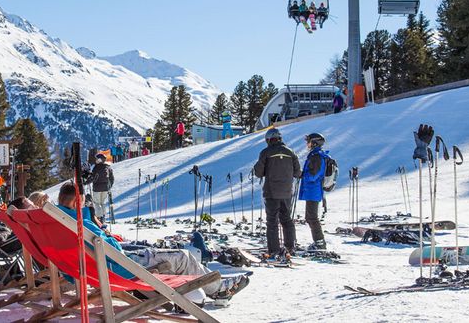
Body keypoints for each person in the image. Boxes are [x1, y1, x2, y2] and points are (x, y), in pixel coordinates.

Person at [55, 182, 248, 303]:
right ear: (74, 204)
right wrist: (110, 238)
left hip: (88, 271)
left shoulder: (57, 223)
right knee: (183, 257)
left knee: (159, 254)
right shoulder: (79, 224)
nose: (83, 206)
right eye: (81, 203)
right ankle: (219, 290)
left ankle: (204, 290)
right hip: (119, 269)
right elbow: (113, 249)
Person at [253, 128, 300, 260]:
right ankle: (290, 247)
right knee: (287, 220)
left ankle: (274, 249)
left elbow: (258, 172)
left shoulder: (266, 152)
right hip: (286, 192)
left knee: (272, 221)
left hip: (271, 192)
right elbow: (298, 172)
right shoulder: (291, 152)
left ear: (268, 140)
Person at [298, 133, 330, 250]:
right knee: (310, 217)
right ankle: (319, 242)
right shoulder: (315, 155)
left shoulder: (316, 156)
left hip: (313, 190)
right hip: (313, 190)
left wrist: (303, 175)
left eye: (309, 141)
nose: (307, 144)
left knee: (312, 217)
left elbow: (314, 175)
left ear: (315, 143)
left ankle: (320, 242)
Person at [85, 154, 114, 223]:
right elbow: (112, 178)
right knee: (102, 202)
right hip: (105, 188)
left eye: (97, 159)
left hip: (97, 188)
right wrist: (109, 187)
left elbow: (93, 177)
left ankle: (99, 217)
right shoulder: (108, 167)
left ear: (100, 160)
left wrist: (86, 182)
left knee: (97, 203)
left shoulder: (96, 167)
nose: (96, 160)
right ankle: (103, 216)